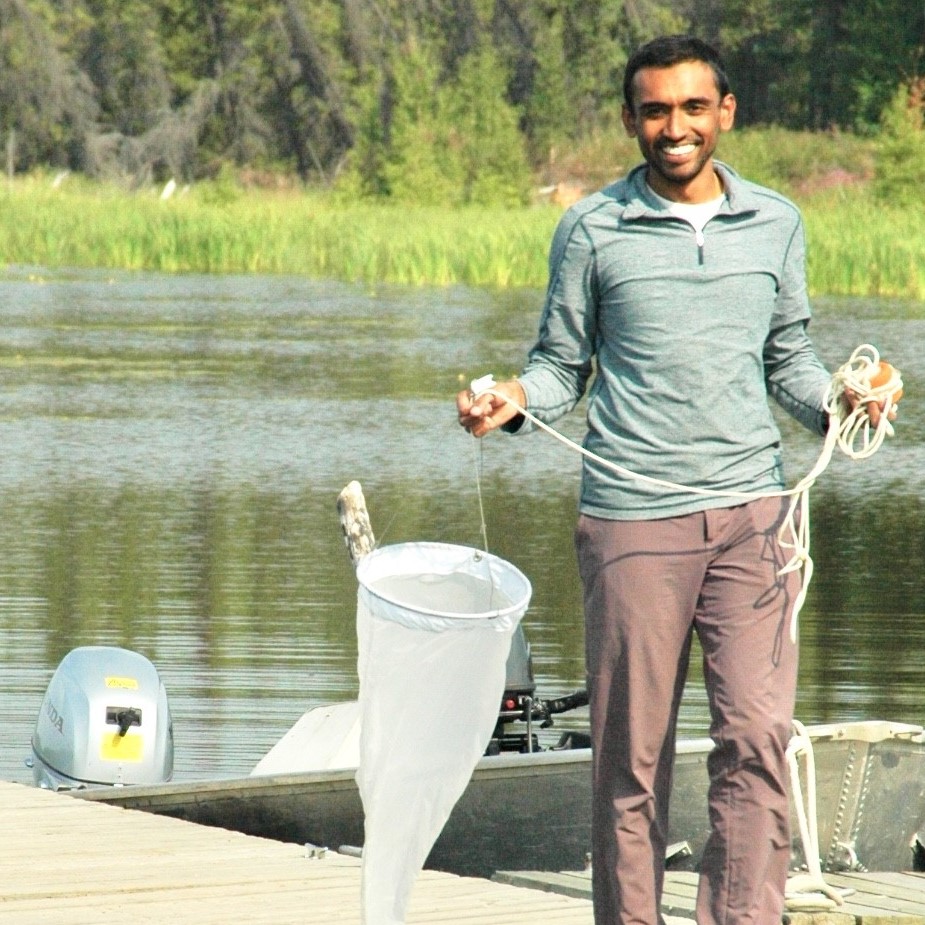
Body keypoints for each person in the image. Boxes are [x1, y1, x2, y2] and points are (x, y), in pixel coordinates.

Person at [456, 34, 896, 925]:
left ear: (724, 113)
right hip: (630, 523)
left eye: (692, 108)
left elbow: (788, 358)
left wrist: (844, 402)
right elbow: (557, 369)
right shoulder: (590, 226)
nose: (674, 126)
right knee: (630, 757)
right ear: (631, 120)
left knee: (757, 739)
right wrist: (508, 398)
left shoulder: (775, 221)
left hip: (752, 521)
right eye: (655, 110)